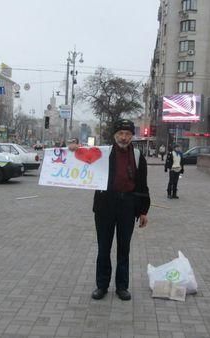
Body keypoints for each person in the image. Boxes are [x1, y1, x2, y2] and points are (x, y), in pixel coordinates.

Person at [69, 119, 150, 301]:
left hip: (127, 206)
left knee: (124, 248)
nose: (124, 137)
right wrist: (73, 148)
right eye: (121, 133)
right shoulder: (103, 153)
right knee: (104, 248)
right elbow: (83, 156)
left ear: (132, 136)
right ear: (115, 135)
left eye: (128, 134)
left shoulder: (137, 155)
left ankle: (122, 286)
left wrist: (143, 211)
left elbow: (143, 185)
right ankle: (102, 286)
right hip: (105, 205)